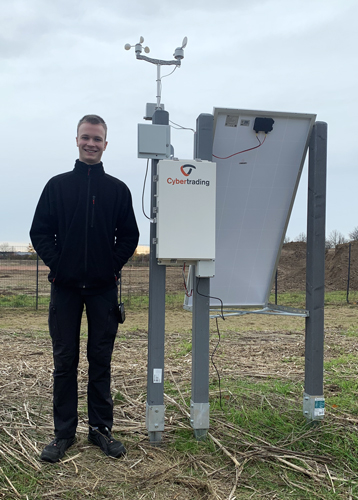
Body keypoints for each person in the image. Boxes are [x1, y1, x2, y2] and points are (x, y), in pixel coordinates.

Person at [30, 115, 139, 463]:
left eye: (98, 139)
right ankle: (63, 434)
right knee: (64, 362)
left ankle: (100, 430)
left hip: (103, 290)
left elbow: (130, 237)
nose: (91, 143)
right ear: (76, 140)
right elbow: (40, 233)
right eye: (86, 138)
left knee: (100, 361)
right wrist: (59, 265)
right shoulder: (57, 186)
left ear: (106, 144)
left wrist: (110, 266)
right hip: (65, 289)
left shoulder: (118, 190)